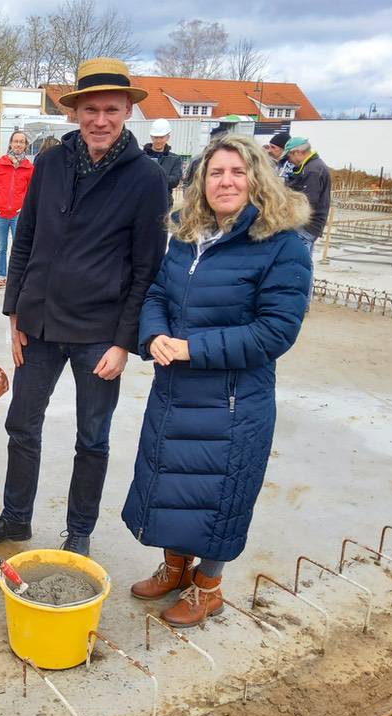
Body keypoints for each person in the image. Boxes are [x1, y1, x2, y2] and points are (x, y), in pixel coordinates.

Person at [0, 58, 167, 558]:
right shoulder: (52, 163)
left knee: (93, 437)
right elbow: (27, 237)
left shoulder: (145, 178)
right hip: (37, 324)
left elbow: (146, 269)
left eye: (111, 110)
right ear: (76, 111)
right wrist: (14, 310)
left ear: (127, 112)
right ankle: (16, 519)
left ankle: (79, 532)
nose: (100, 120)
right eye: (90, 109)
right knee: (22, 425)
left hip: (100, 333)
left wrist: (125, 342)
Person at [124, 134, 312, 628]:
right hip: (176, 390)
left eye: (236, 172)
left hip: (232, 399)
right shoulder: (187, 236)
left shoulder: (281, 244)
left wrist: (192, 348)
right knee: (172, 484)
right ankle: (175, 568)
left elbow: (276, 330)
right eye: (215, 173)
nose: (225, 181)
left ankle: (208, 587)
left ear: (257, 178)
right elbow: (157, 296)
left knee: (220, 493)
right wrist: (156, 335)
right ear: (200, 183)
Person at [0, 130, 34, 290]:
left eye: (22, 142)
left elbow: (33, 191)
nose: (18, 144)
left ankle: (16, 276)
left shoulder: (29, 167)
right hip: (1, 214)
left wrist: (24, 208)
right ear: (11, 143)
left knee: (18, 247)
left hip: (19, 215)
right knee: (1, 248)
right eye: (16, 141)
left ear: (25, 146)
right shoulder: (0, 164)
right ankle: (1, 276)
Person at [283, 136, 331, 259]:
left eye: (289, 155)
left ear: (297, 152)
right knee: (304, 264)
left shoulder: (312, 170)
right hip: (309, 225)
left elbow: (307, 201)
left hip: (306, 225)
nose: (289, 159)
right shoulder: (312, 166)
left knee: (297, 263)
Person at [142, 118, 182, 205]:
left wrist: (157, 177)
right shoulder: (141, 156)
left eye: (161, 137)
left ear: (168, 137)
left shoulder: (174, 158)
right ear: (151, 137)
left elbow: (174, 181)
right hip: (142, 202)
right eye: (156, 137)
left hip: (164, 203)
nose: (158, 141)